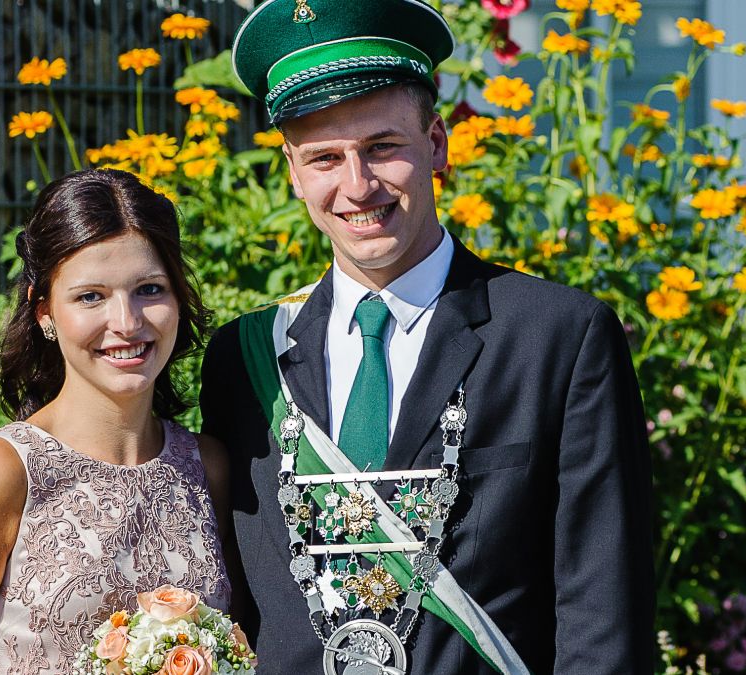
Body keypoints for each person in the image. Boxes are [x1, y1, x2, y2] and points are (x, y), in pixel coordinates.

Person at [200, 1, 654, 673]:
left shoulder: (557, 335)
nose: (357, 186)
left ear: (437, 143)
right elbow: (237, 596)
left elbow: (603, 610)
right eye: (324, 157)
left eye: (382, 147)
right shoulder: (244, 358)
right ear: (293, 173)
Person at [0, 168, 231, 674]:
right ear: (45, 312)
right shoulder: (5, 473)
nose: (127, 322)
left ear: (178, 298)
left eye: (149, 289)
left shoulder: (210, 467)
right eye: (91, 296)